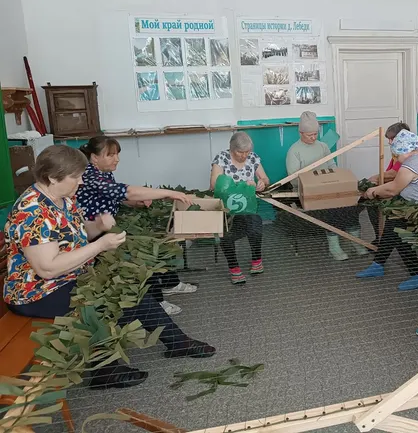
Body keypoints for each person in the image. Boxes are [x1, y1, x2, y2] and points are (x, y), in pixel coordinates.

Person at [3, 145, 215, 390]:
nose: (81, 182)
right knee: (102, 302)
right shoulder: (32, 211)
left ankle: (177, 342)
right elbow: (47, 269)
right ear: (52, 177)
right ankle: (105, 371)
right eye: (75, 177)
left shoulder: (62, 199)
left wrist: (98, 226)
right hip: (37, 293)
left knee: (131, 289)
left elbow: (78, 236)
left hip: (69, 278)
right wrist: (99, 246)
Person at [76, 136, 196, 316]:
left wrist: (133, 203)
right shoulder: (90, 175)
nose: (117, 159)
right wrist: (169, 193)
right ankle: (157, 302)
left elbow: (115, 195)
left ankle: (170, 283)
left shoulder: (103, 172)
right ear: (94, 157)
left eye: (117, 154)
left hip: (110, 224)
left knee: (157, 241)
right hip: (94, 231)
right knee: (142, 254)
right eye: (111, 155)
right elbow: (128, 191)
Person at [357, 130, 418, 290]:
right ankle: (378, 264)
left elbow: (392, 189)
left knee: (398, 228)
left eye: (396, 155)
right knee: (394, 222)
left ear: (404, 151)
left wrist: (371, 192)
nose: (395, 159)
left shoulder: (412, 164)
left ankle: (416, 274)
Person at [285, 111, 365, 261]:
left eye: (315, 134)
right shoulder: (294, 151)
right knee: (332, 209)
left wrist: (333, 182)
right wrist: (313, 185)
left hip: (328, 188)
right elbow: (293, 178)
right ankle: (334, 247)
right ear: (300, 133)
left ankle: (357, 242)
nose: (313, 137)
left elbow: (332, 167)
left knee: (350, 206)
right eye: (309, 135)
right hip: (307, 193)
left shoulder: (323, 146)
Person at [211, 131, 269, 284]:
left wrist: (261, 183)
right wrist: (242, 185)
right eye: (240, 152)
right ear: (231, 149)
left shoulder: (253, 158)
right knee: (225, 233)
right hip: (227, 209)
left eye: (247, 152)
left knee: (255, 225)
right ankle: (234, 268)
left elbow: (265, 178)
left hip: (248, 207)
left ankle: (257, 260)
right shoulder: (222, 158)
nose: (244, 155)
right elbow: (214, 184)